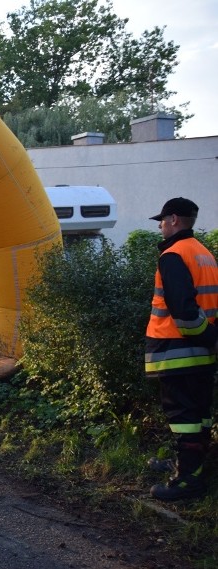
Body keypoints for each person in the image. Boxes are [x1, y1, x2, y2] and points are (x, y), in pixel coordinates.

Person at [144, 198, 218, 501]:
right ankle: (189, 466)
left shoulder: (174, 256)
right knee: (198, 415)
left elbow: (185, 314)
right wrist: (212, 339)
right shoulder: (205, 255)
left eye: (162, 220)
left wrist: (206, 336)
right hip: (202, 354)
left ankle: (187, 482)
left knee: (183, 416)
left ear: (174, 219)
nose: (160, 225)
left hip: (178, 351)